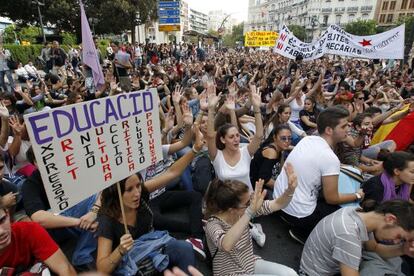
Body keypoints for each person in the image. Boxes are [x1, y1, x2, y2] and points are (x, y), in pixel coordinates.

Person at [96, 125, 205, 275]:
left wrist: (195, 149)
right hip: (131, 265)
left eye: (138, 186)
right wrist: (120, 250)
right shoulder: (107, 220)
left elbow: (172, 172)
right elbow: (101, 269)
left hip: (153, 248)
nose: (137, 193)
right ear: (116, 194)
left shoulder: (142, 193)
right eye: (129, 190)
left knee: (184, 248)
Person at [274, 106, 365, 243]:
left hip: (278, 201)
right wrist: (357, 195)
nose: (348, 128)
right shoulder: (329, 158)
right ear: (329, 130)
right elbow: (332, 198)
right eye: (344, 126)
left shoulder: (308, 140)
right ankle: (303, 234)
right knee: (346, 210)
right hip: (297, 215)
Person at [204, 169, 298, 276]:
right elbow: (226, 245)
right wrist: (249, 212)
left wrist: (290, 190)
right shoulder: (213, 224)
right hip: (230, 273)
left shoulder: (243, 211)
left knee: (291, 274)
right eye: (248, 202)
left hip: (249, 263)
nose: (252, 203)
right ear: (232, 209)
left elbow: (278, 204)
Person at [300, 200, 414, 276]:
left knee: (391, 262)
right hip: (314, 273)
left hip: (325, 267)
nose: (395, 242)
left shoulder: (357, 213)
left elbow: (374, 248)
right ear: (390, 219)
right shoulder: (349, 234)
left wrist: (403, 249)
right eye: (399, 237)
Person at [206, 84, 263, 191]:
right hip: (226, 204)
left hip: (247, 202)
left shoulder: (246, 152)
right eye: (231, 137)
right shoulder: (217, 156)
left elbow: (259, 136)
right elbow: (210, 136)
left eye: (237, 136)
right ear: (222, 139)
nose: (237, 139)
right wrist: (210, 109)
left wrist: (256, 108)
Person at [0, 207, 76, 275]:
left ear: (7, 214)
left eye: (2, 220)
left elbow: (65, 269)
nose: (1, 231)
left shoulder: (29, 230)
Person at [250, 124, 292, 189]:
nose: (287, 141)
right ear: (274, 138)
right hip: (258, 188)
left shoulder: (280, 148)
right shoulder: (271, 152)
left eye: (289, 138)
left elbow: (280, 171)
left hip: (269, 184)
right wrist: (283, 189)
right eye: (283, 138)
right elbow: (264, 179)